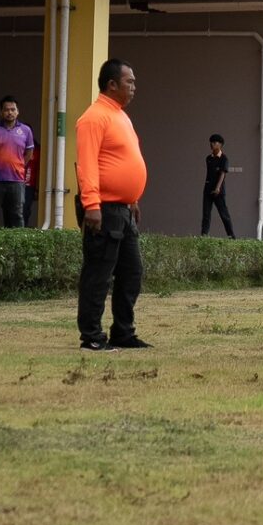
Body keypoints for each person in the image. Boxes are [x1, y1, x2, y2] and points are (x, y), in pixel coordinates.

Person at [76, 59, 149, 351]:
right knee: (98, 274)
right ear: (112, 85)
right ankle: (92, 336)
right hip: (103, 209)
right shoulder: (94, 117)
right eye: (129, 81)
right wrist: (91, 204)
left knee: (132, 271)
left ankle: (123, 332)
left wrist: (132, 198)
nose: (134, 87)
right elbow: (87, 164)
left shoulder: (119, 115)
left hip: (123, 209)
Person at [0, 97, 35, 228]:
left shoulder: (26, 130)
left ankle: (18, 244)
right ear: (1, 112)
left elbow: (29, 152)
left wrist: (20, 165)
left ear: (18, 111)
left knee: (17, 214)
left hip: (17, 179)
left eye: (13, 109)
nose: (10, 113)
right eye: (6, 110)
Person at [201, 134, 235, 237]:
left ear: (220, 145)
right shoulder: (208, 158)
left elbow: (222, 173)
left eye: (215, 142)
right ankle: (204, 235)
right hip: (208, 189)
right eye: (211, 142)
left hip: (218, 191)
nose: (212, 144)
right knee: (206, 214)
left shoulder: (224, 158)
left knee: (224, 214)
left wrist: (217, 188)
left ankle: (231, 236)